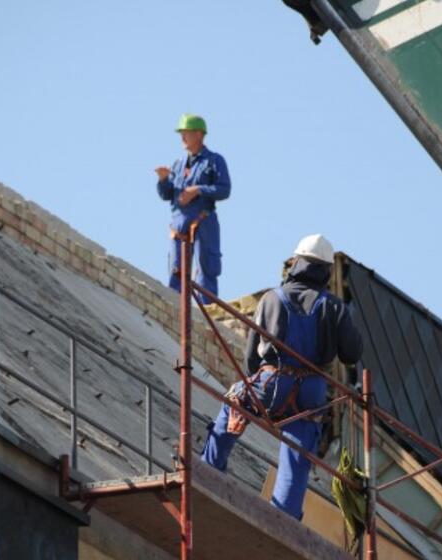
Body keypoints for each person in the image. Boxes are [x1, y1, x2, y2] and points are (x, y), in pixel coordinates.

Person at [200, 234, 364, 520]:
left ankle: (208, 472)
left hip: (272, 382)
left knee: (234, 403)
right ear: (326, 269)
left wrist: (255, 385)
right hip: (310, 393)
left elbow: (252, 357)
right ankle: (284, 518)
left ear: (296, 262)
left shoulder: (272, 298)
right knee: (297, 457)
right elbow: (351, 354)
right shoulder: (334, 306)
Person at [155, 114, 231, 301]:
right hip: (178, 225)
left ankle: (207, 312)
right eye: (181, 134)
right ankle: (174, 309)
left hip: (202, 221)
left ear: (198, 135)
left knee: (206, 268)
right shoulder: (178, 165)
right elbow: (167, 195)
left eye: (186, 133)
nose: (182, 138)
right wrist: (163, 180)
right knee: (176, 270)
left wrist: (198, 190)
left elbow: (224, 189)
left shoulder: (214, 161)